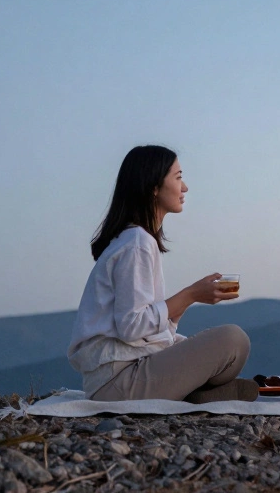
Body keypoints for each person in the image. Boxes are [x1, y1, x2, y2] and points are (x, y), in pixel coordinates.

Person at [67, 145, 258, 402]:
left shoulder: (137, 239)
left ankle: (196, 393)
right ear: (154, 187)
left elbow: (148, 328)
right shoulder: (137, 242)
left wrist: (189, 300)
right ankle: (198, 393)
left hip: (126, 371)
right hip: (119, 381)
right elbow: (132, 327)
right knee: (234, 340)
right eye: (178, 178)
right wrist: (190, 294)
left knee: (231, 349)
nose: (185, 187)